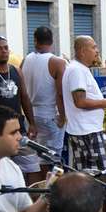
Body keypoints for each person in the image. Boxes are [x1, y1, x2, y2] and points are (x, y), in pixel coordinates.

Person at [0, 36, 41, 183]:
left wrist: (32, 123)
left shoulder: (17, 71)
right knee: (2, 173)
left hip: (19, 130)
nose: (3, 51)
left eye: (5, 48)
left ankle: (31, 201)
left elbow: (24, 97)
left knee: (32, 167)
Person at [62, 35, 106, 173]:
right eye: (93, 47)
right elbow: (80, 101)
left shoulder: (79, 69)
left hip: (84, 130)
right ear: (82, 51)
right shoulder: (77, 70)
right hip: (87, 132)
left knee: (85, 176)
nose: (97, 51)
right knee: (100, 176)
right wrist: (105, 102)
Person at [20, 27, 67, 165]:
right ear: (52, 41)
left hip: (30, 115)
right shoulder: (57, 62)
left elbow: (22, 92)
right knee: (51, 158)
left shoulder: (25, 60)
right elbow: (60, 93)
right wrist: (63, 116)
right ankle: (47, 186)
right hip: (49, 114)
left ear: (35, 40)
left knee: (33, 156)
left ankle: (35, 185)